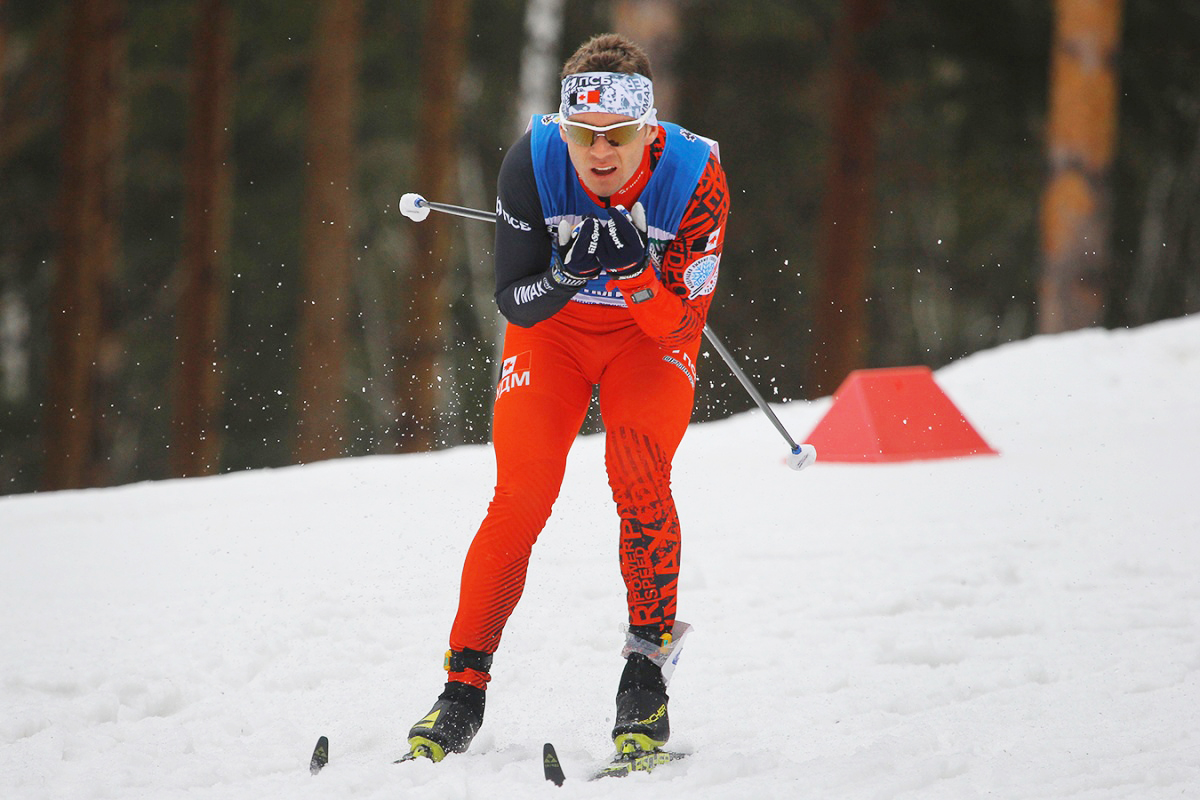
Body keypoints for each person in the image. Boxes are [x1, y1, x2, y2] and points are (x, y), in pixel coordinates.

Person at [405, 32, 729, 762]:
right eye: (585, 134)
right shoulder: (536, 157)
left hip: (649, 341)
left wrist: (640, 275)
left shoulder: (697, 176)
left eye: (619, 136)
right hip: (553, 334)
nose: (601, 153)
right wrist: (567, 276)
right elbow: (515, 302)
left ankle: (644, 680)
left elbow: (682, 322)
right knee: (520, 494)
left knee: (637, 472)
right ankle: (461, 691)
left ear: (650, 130)